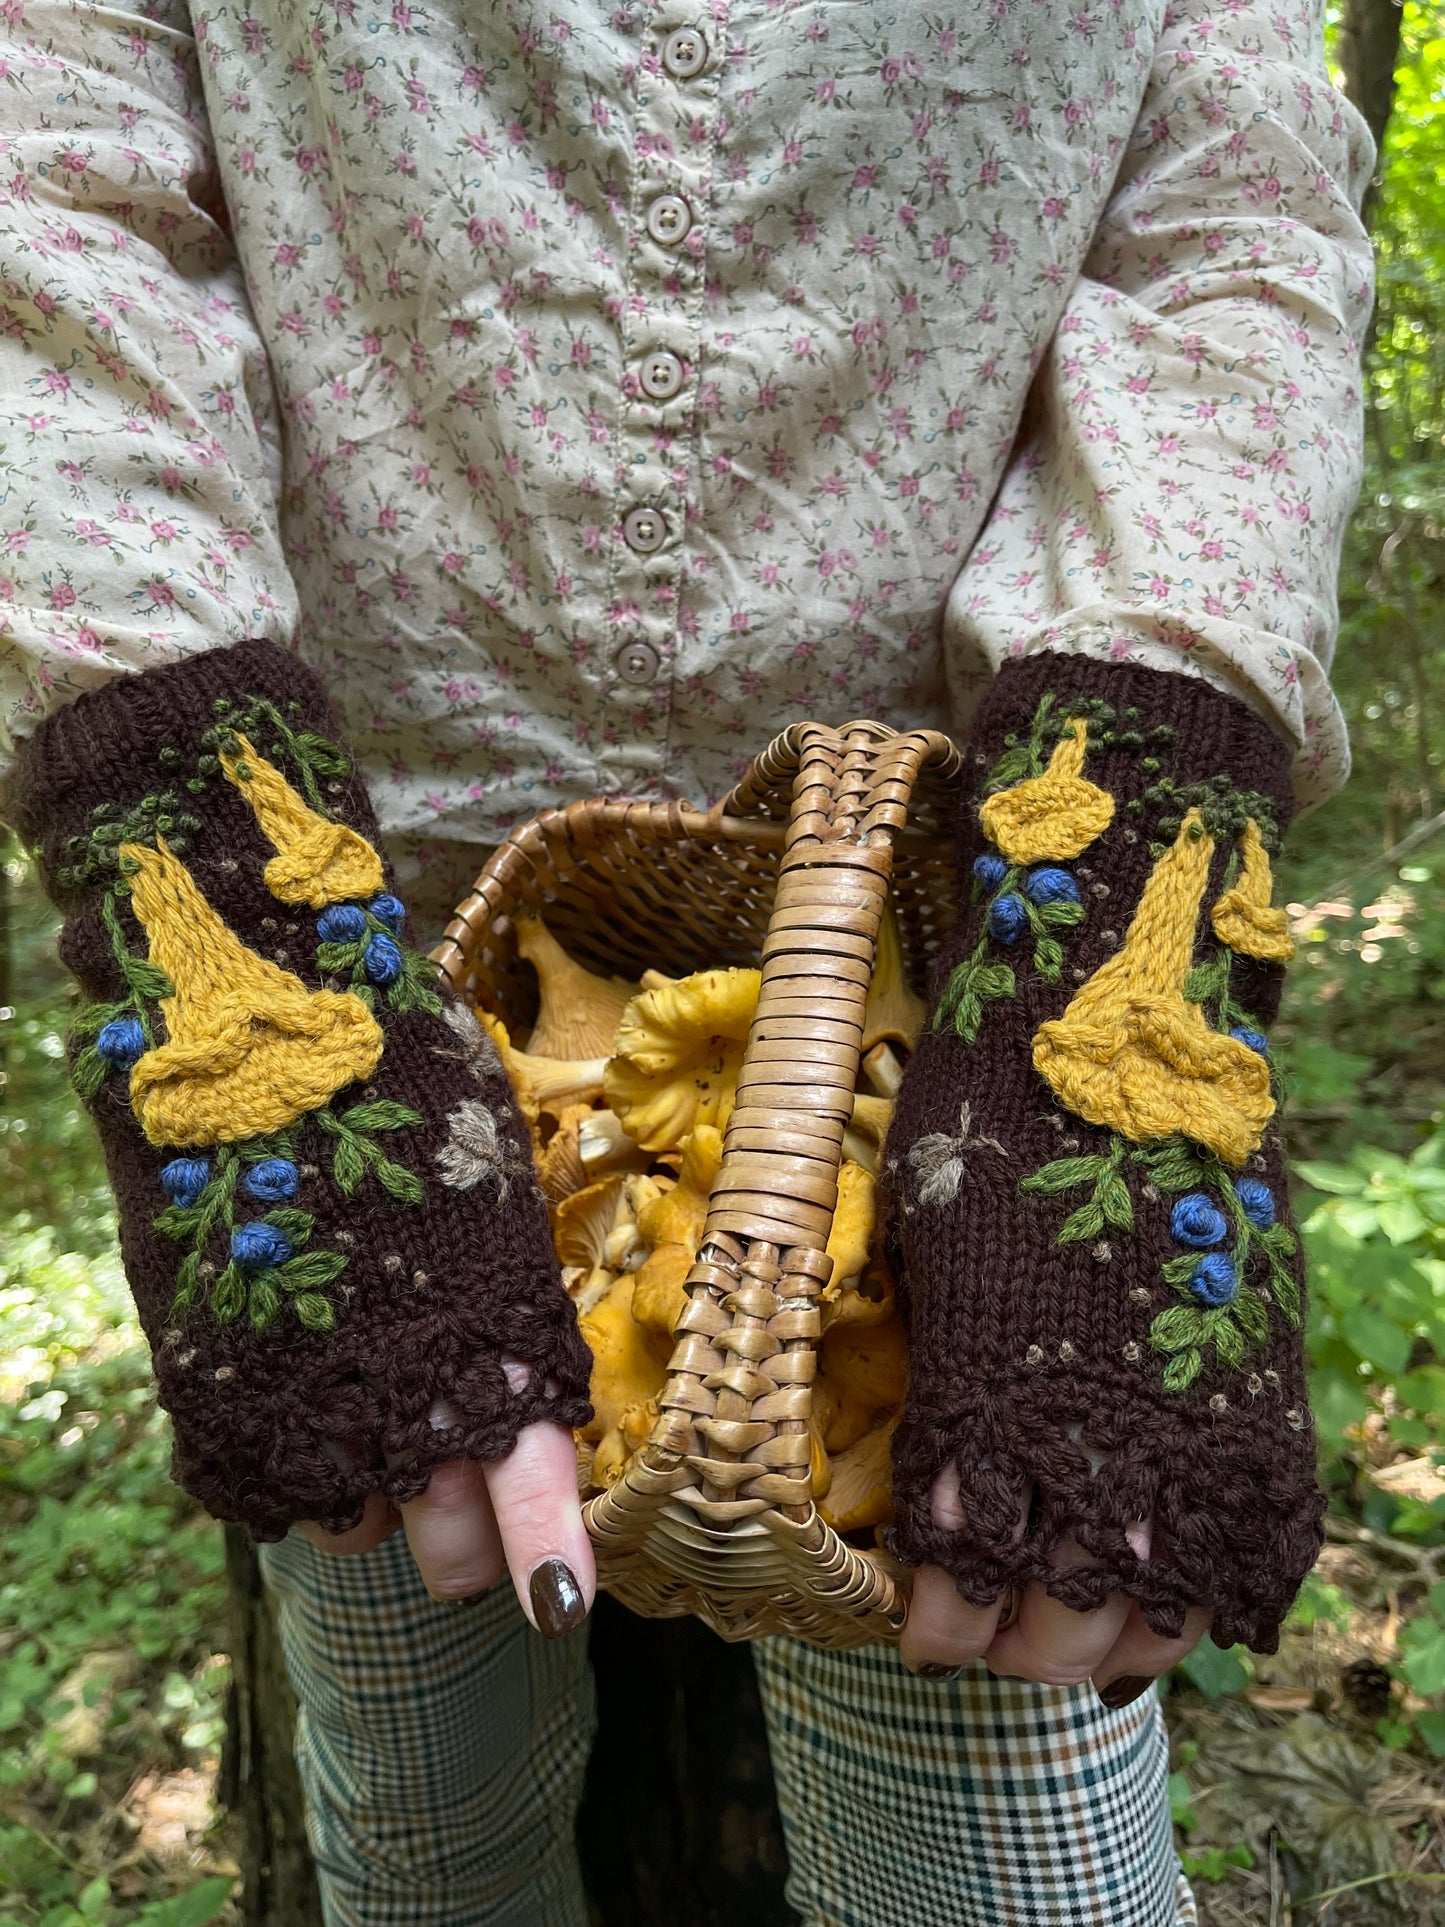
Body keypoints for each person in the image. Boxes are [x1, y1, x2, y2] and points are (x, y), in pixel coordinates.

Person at [1, 0, 1374, 1914]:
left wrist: (1117, 935)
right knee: (421, 1812)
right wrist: (225, 898)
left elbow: (1228, 220)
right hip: (362, 977)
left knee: (1003, 1862)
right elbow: (52, 170)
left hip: (941, 1008)